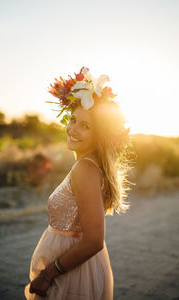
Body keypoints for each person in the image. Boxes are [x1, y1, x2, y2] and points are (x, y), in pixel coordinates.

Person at [24, 67, 133, 299]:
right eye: (73, 120)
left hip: (70, 273)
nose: (73, 129)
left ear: (99, 135)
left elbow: (94, 241)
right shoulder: (90, 165)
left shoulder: (85, 168)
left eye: (86, 126)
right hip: (78, 267)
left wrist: (49, 274)